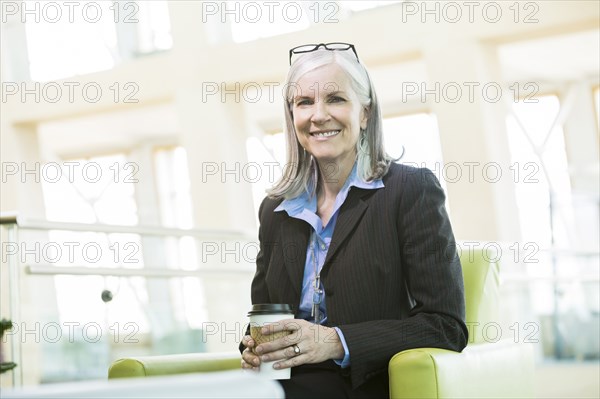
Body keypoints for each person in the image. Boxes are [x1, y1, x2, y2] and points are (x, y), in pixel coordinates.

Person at [240, 43, 467, 398]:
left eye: (335, 99)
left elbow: (446, 327)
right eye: (304, 103)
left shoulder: (411, 191)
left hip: (360, 382)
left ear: (365, 113)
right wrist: (254, 348)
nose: (318, 115)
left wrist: (335, 341)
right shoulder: (275, 210)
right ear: (292, 117)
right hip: (283, 381)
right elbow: (264, 313)